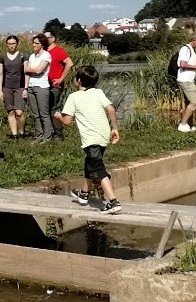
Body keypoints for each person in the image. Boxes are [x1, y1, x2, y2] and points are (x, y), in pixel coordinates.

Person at [54, 65, 123, 214]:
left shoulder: (73, 97)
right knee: (90, 163)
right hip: (103, 136)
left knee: (98, 169)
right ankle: (84, 193)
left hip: (90, 139)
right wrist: (115, 128)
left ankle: (113, 202)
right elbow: (111, 108)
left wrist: (58, 116)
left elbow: (67, 121)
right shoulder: (98, 92)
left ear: (78, 81)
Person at [174, 36, 196, 132]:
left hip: (187, 79)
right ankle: (183, 124)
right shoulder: (185, 49)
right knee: (195, 102)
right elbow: (182, 65)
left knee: (189, 103)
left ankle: (190, 126)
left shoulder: (190, 50)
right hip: (186, 80)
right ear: (192, 40)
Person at [24, 35, 54, 141]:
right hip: (31, 86)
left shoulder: (46, 56)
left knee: (43, 113)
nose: (34, 45)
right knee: (35, 114)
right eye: (33, 43)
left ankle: (48, 136)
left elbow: (38, 70)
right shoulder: (32, 56)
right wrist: (26, 88)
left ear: (42, 44)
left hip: (42, 86)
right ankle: (39, 135)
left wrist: (30, 69)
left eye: (36, 43)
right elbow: (25, 71)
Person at [44, 30, 75, 130]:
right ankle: (48, 131)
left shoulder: (59, 50)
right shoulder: (43, 51)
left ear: (53, 39)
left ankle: (58, 133)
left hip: (55, 84)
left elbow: (69, 63)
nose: (44, 40)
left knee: (53, 108)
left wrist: (61, 78)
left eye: (47, 38)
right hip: (44, 84)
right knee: (45, 108)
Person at [0, 35, 28, 139]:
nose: (11, 46)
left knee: (19, 112)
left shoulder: (23, 56)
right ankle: (14, 134)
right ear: (6, 44)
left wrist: (26, 88)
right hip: (7, 86)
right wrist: (0, 90)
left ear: (17, 44)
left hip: (19, 86)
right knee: (10, 111)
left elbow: (26, 72)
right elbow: (0, 73)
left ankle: (21, 132)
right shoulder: (2, 57)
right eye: (9, 44)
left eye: (13, 44)